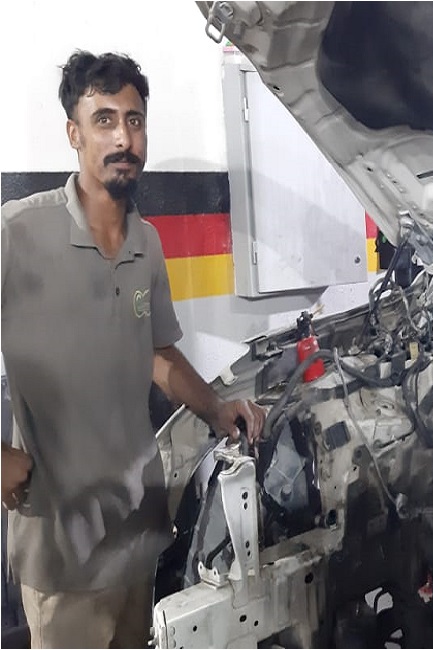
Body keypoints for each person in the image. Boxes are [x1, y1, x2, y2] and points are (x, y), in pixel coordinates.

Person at [0, 50, 266, 648]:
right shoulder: (18, 232)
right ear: (73, 133)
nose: (124, 137)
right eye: (104, 120)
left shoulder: (146, 241)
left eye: (134, 120)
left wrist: (217, 409)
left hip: (137, 535)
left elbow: (157, 354)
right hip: (63, 554)